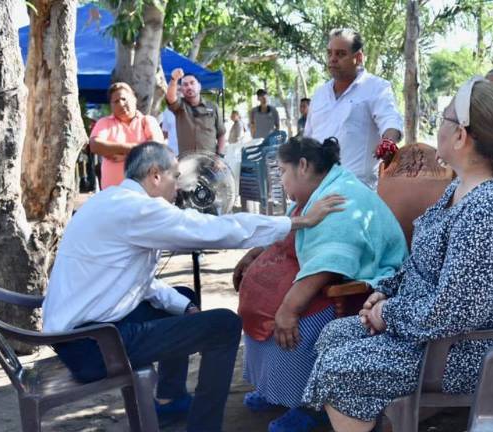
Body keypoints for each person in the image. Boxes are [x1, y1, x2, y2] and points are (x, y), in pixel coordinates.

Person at [301, 78, 493, 432]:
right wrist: (388, 290)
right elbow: (424, 260)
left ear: (461, 136)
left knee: (341, 367)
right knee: (333, 336)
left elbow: (454, 313)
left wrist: (387, 314)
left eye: (445, 118)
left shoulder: (489, 211)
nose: (439, 126)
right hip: (442, 331)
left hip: (474, 351)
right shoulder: (461, 187)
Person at [42, 142, 345, 432]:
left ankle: (170, 399)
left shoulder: (110, 200)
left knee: (181, 298)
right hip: (93, 347)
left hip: (84, 336)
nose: (180, 185)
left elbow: (138, 283)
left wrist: (185, 307)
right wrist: (296, 222)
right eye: (175, 176)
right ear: (155, 175)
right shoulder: (135, 209)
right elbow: (208, 230)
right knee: (224, 325)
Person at [233, 136, 408, 432]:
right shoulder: (317, 193)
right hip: (300, 279)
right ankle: (274, 389)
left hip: (348, 292)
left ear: (302, 166)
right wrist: (260, 255)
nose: (282, 181)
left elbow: (331, 261)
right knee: (266, 307)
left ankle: (310, 406)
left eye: (283, 172)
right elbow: (292, 237)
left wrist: (289, 308)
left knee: (295, 316)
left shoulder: (341, 197)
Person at [304, 28, 404, 189]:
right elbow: (308, 138)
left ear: (358, 57)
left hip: (357, 192)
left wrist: (388, 142)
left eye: (340, 54)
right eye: (330, 53)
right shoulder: (320, 94)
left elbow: (390, 121)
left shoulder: (376, 88)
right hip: (317, 189)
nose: (333, 59)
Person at [89, 82, 164, 189]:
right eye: (116, 101)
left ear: (134, 99)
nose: (121, 104)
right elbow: (95, 145)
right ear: (111, 105)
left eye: (124, 99)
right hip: (113, 194)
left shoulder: (147, 121)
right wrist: (138, 149)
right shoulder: (104, 122)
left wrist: (126, 154)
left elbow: (155, 149)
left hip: (145, 192)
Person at [166, 68, 226, 157]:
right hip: (187, 164)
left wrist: (219, 157)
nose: (189, 87)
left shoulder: (213, 107)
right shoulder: (179, 107)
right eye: (185, 85)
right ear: (182, 89)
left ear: (199, 86)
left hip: (210, 163)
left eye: (192, 83)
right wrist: (174, 79)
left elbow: (221, 134)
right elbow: (171, 98)